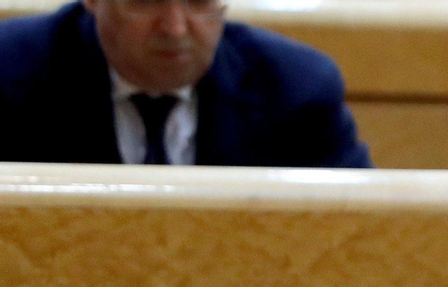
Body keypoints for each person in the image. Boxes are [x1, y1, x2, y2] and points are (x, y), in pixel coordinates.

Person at [0, 0, 370, 167]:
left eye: (198, 1)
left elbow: (361, 237)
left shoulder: (296, 89)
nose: (175, 28)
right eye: (146, 2)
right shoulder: (9, 73)